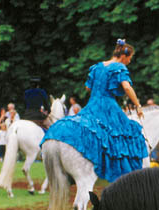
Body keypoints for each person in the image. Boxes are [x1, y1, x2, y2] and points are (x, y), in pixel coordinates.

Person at [41, 39, 148, 183]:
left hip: (92, 104)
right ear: (124, 56)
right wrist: (138, 105)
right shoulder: (119, 67)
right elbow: (127, 87)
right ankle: (121, 174)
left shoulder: (97, 67)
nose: (129, 61)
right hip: (108, 106)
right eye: (130, 58)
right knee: (124, 136)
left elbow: (88, 88)